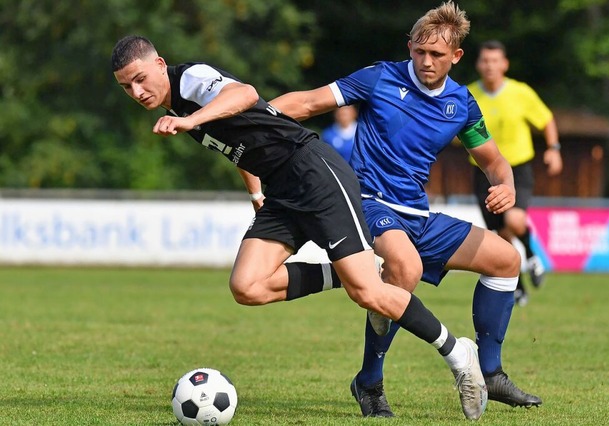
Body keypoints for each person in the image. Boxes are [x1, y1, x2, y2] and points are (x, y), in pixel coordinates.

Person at [111, 35, 488, 420]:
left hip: (315, 173)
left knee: (370, 293)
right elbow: (240, 142)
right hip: (282, 191)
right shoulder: (180, 105)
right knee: (248, 286)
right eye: (127, 87)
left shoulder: (190, 78)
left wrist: (191, 118)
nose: (137, 91)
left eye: (141, 78)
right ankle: (347, 275)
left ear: (159, 64)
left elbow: (244, 95)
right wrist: (256, 194)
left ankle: (459, 354)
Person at [270, 1, 541, 418]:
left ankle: (490, 373)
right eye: (419, 51)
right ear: (409, 45)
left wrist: (504, 184)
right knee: (404, 267)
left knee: (506, 260)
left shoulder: (461, 102)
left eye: (437, 54)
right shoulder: (380, 77)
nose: (426, 61)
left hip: (417, 213)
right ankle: (370, 380)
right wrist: (250, 116)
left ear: (456, 56)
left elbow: (492, 159)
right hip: (368, 202)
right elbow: (307, 102)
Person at [468, 40, 563, 306]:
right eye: (485, 60)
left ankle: (532, 257)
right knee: (501, 235)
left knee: (514, 219)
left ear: (504, 64)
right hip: (482, 172)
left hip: (517, 168)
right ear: (478, 64)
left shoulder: (520, 93)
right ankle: (519, 287)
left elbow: (546, 120)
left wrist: (554, 148)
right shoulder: (468, 94)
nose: (490, 66)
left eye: (495, 60)